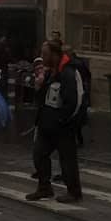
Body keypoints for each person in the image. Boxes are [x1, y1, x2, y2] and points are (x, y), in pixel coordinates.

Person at [28, 39, 85, 201]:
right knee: (39, 154)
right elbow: (44, 98)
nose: (42, 57)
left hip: (63, 125)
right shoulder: (50, 72)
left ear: (54, 54)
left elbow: (74, 101)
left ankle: (74, 191)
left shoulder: (68, 72)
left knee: (67, 160)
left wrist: (62, 120)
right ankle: (44, 187)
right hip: (47, 123)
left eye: (45, 54)